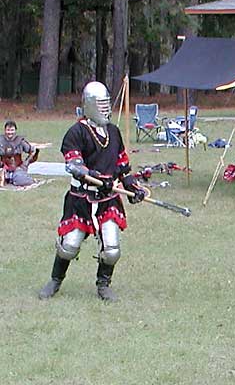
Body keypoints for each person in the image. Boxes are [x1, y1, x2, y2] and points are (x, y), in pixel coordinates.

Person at [38, 81, 146, 302]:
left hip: (108, 199)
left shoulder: (113, 132)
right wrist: (96, 177)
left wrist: (132, 186)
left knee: (112, 249)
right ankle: (55, 281)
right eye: (100, 104)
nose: (105, 109)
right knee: (69, 246)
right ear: (89, 105)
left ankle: (103, 284)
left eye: (106, 104)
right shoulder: (76, 132)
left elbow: (122, 165)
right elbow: (75, 166)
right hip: (81, 199)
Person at [0, 120, 37, 186]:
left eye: (12, 130)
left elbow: (33, 151)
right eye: (8, 130)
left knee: (20, 181)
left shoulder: (20, 141)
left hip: (18, 168)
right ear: (5, 130)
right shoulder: (0, 140)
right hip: (3, 168)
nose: (10, 132)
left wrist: (26, 163)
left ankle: (25, 179)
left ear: (15, 130)